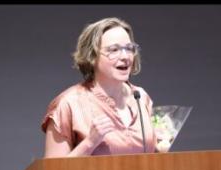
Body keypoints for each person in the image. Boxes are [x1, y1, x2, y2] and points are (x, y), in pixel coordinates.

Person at [43, 17, 156, 158]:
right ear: (92, 56)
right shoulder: (68, 104)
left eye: (129, 48)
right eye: (114, 50)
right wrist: (89, 143)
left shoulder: (140, 97)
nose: (125, 56)